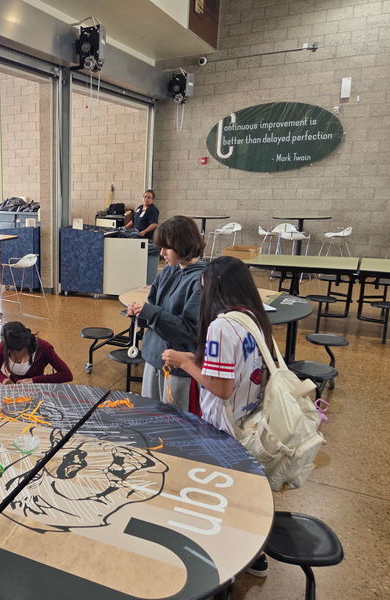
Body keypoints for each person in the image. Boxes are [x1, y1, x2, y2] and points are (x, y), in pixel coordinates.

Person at [162, 255, 273, 578]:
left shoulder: (221, 326)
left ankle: (230, 558)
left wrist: (184, 364)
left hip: (224, 427)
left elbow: (221, 387)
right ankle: (256, 554)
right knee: (243, 493)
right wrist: (193, 357)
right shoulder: (251, 317)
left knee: (226, 497)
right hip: (250, 415)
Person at [126, 216, 204, 411]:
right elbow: (153, 305)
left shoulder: (201, 280)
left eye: (166, 248)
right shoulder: (168, 271)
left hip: (179, 368)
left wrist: (151, 313)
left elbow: (189, 329)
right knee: (151, 416)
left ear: (183, 245)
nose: (161, 253)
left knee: (176, 423)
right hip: (154, 358)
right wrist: (139, 314)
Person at [0, 321, 72, 384]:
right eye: (10, 351)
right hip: (14, 388)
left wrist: (33, 380)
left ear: (26, 344)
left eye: (19, 351)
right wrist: (4, 379)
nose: (17, 356)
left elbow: (66, 375)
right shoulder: (5, 345)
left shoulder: (44, 348)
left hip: (37, 388)